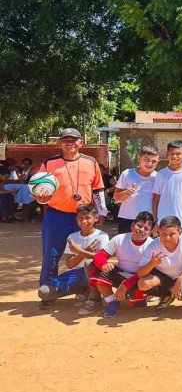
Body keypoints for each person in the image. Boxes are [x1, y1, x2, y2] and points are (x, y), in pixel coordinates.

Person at [34, 128, 108, 305]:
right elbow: (39, 188)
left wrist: (102, 211)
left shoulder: (91, 162)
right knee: (51, 255)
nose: (70, 143)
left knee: (89, 253)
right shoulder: (50, 163)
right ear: (60, 143)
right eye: (65, 140)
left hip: (84, 217)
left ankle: (89, 290)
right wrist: (40, 198)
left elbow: (98, 189)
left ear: (81, 143)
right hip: (56, 216)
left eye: (73, 140)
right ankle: (48, 291)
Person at [37, 205, 109, 307]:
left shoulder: (102, 236)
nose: (84, 221)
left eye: (88, 218)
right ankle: (83, 290)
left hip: (94, 273)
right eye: (80, 218)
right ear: (76, 220)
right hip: (76, 274)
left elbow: (102, 259)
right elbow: (70, 264)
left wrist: (79, 251)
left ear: (96, 218)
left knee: (89, 265)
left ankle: (95, 297)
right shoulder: (72, 236)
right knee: (44, 292)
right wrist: (85, 252)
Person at [88, 211, 155, 317]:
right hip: (120, 274)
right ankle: (112, 302)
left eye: (146, 228)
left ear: (151, 232)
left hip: (139, 278)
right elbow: (99, 256)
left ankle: (139, 297)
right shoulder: (120, 238)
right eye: (139, 225)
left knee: (137, 306)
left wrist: (125, 286)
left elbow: (148, 271)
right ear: (132, 225)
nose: (141, 230)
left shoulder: (152, 245)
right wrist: (104, 264)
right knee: (94, 267)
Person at [137, 215, 182, 309]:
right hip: (163, 278)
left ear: (180, 232)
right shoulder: (154, 245)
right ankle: (167, 295)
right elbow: (140, 273)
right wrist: (151, 264)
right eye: (163, 234)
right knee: (143, 284)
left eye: (172, 234)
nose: (167, 238)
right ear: (159, 232)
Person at [152, 140, 182, 234]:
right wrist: (155, 221)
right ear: (167, 154)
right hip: (163, 222)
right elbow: (155, 199)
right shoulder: (161, 174)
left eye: (178, 154)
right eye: (172, 154)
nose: (174, 156)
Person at [113, 145, 159, 234]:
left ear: (158, 162)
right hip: (127, 219)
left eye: (154, 161)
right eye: (146, 160)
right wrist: (126, 193)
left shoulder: (158, 177)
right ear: (139, 159)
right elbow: (116, 198)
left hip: (149, 221)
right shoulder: (127, 174)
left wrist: (156, 221)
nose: (150, 164)